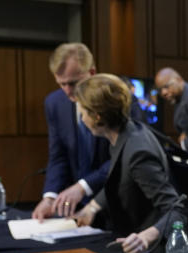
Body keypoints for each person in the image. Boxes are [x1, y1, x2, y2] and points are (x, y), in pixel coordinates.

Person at [71, 74, 187, 253]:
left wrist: (146, 237)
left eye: (83, 112)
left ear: (97, 117)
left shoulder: (137, 153)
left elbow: (177, 209)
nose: (82, 118)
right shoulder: (125, 133)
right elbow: (120, 178)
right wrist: (92, 206)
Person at [33, 43, 122, 221]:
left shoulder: (117, 98)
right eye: (61, 84)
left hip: (115, 203)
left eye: (73, 83)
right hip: (75, 209)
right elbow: (58, 155)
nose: (67, 91)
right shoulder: (54, 103)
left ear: (92, 73)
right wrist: (49, 197)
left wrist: (83, 186)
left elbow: (123, 157)